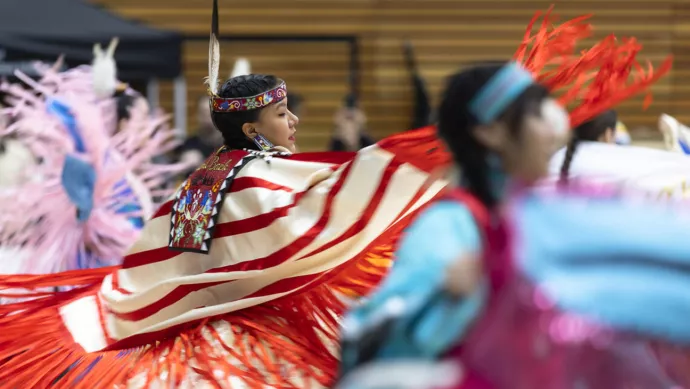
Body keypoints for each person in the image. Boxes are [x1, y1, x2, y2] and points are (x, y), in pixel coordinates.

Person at [0, 1, 451, 387]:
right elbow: (331, 210)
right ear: (252, 128)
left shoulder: (205, 176)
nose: (293, 121)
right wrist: (434, 156)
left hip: (189, 350)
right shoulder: (259, 178)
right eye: (281, 112)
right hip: (243, 347)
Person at [338, 10, 690, 389]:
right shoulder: (451, 227)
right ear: (489, 132)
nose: (553, 130)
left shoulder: (543, 217)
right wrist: (460, 298)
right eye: (535, 113)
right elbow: (366, 338)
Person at [0, 39, 188, 276]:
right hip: (96, 276)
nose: (147, 127)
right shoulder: (98, 168)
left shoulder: (115, 169)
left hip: (115, 272)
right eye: (141, 118)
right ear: (122, 122)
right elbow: (96, 225)